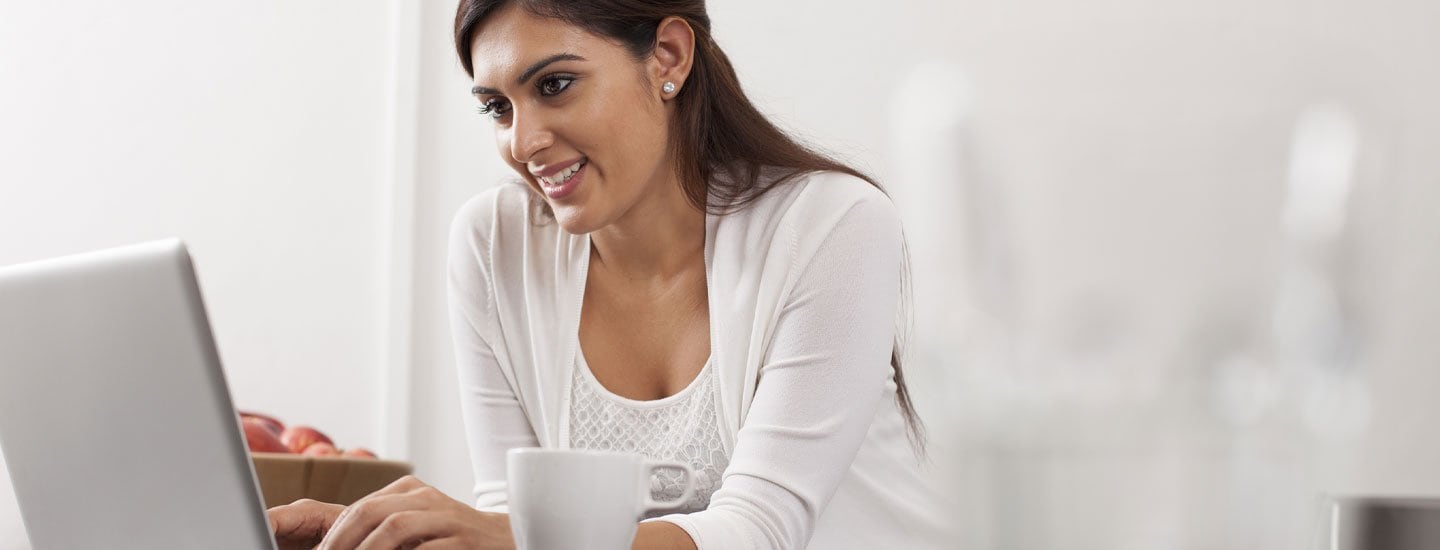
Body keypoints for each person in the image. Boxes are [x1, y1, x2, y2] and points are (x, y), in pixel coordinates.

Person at [267, 1, 949, 548]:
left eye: (554, 86)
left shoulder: (832, 226)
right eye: (498, 107)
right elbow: (507, 511)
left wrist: (504, 536)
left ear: (668, 57)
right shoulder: (492, 243)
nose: (522, 142)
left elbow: (759, 530)